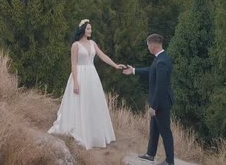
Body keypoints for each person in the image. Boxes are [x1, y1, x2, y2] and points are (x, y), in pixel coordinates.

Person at [48, 19, 125, 149]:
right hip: (80, 74)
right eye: (88, 29)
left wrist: (116, 65)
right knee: (79, 102)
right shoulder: (75, 45)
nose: (90, 31)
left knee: (93, 102)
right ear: (83, 29)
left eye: (90, 29)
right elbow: (73, 64)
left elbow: (103, 56)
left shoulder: (93, 43)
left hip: (92, 75)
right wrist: (76, 83)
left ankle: (94, 134)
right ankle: (79, 131)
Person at [123, 33, 175, 165]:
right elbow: (150, 71)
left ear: (153, 45)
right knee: (154, 129)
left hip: (161, 103)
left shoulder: (162, 61)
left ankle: (170, 161)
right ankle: (150, 154)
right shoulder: (160, 58)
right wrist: (134, 70)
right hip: (157, 101)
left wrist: (154, 106)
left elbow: (161, 87)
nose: (147, 48)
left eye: (148, 45)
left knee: (165, 132)